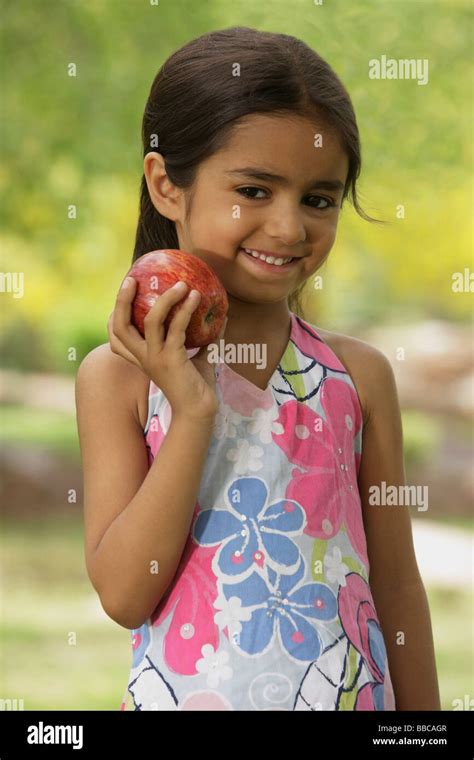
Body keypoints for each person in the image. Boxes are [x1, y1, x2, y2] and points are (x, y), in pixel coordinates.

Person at [75, 27, 441, 711]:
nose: (288, 228)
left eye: (319, 199)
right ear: (167, 185)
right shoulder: (120, 379)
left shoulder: (358, 377)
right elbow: (125, 595)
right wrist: (191, 411)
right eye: (254, 189)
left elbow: (395, 587)